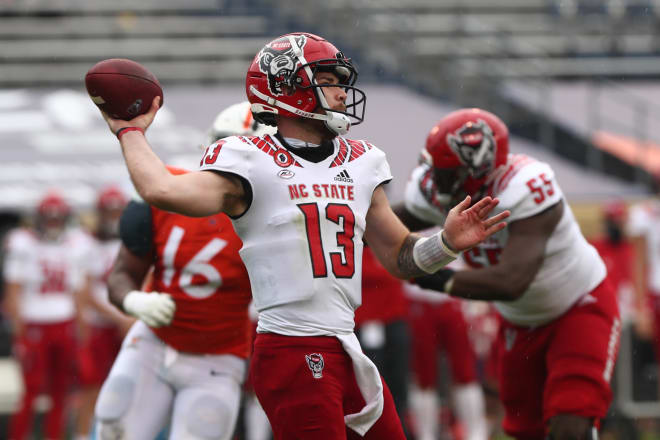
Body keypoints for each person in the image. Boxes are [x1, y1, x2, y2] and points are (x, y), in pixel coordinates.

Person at [93, 32, 508, 439]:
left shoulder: (364, 161)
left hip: (347, 344)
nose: (343, 92)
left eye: (341, 82)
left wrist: (448, 243)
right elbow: (161, 189)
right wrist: (130, 131)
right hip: (292, 345)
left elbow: (401, 256)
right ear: (287, 87)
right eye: (328, 81)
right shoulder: (248, 158)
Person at [394, 108, 620, 440]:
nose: (432, 180)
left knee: (571, 424)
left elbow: (512, 281)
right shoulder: (441, 191)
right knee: (524, 430)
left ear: (475, 170)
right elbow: (381, 231)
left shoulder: (525, 186)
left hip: (579, 306)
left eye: (445, 172)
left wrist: (426, 272)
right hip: (520, 321)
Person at [93, 102, 274, 440]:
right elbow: (123, 275)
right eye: (226, 148)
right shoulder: (168, 191)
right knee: (114, 430)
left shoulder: (276, 221)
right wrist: (134, 301)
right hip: (152, 343)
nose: (232, 166)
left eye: (247, 154)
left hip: (217, 360)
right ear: (208, 147)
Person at [2, 191, 89, 440]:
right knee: (31, 389)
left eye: (58, 218)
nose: (53, 223)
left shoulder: (74, 243)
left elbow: (78, 291)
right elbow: (13, 290)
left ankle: (54, 436)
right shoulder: (23, 242)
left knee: (62, 390)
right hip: (34, 324)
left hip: (64, 323)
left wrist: (81, 328)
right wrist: (19, 332)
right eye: (49, 218)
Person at [74, 185, 134, 440]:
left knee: (128, 386)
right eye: (108, 212)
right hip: (100, 325)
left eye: (117, 212)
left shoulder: (133, 241)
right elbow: (84, 293)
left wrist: (132, 316)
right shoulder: (85, 244)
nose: (113, 218)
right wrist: (119, 317)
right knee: (93, 386)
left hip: (126, 322)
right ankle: (82, 434)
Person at [405, 279, 488, 440]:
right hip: (419, 298)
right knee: (423, 376)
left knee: (465, 372)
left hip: (453, 296)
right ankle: (425, 433)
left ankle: (476, 432)